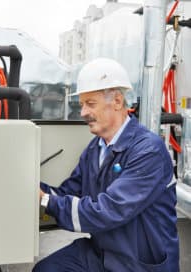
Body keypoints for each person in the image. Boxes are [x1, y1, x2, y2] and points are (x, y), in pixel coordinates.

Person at [33, 58, 179, 272]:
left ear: (118, 101)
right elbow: (68, 193)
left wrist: (45, 200)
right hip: (103, 252)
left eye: (90, 104)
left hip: (137, 262)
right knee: (46, 269)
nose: (83, 113)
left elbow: (108, 211)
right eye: (82, 104)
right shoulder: (96, 148)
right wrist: (32, 187)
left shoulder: (149, 151)